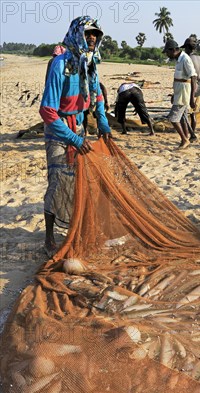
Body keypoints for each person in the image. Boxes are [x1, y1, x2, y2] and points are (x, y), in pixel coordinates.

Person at [39, 15, 111, 257]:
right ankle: (49, 238)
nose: (92, 38)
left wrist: (103, 123)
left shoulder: (89, 64)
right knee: (57, 182)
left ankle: (74, 228)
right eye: (88, 33)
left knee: (78, 182)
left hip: (79, 127)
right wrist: (73, 139)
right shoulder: (60, 64)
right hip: (59, 131)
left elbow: (97, 95)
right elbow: (47, 110)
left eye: (96, 34)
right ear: (76, 33)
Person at [163, 39, 197, 149]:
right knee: (182, 117)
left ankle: (184, 139)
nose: (167, 54)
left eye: (167, 52)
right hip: (179, 92)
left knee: (173, 118)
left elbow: (193, 77)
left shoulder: (185, 59)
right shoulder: (178, 60)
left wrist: (192, 98)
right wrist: (174, 94)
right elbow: (179, 79)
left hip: (184, 93)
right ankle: (186, 138)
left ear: (173, 50)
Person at [181, 37, 200, 140]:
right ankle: (192, 134)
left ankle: (188, 135)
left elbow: (190, 77)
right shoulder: (199, 58)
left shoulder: (188, 59)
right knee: (193, 114)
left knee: (184, 114)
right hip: (199, 88)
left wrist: (191, 95)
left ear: (187, 48)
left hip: (190, 89)